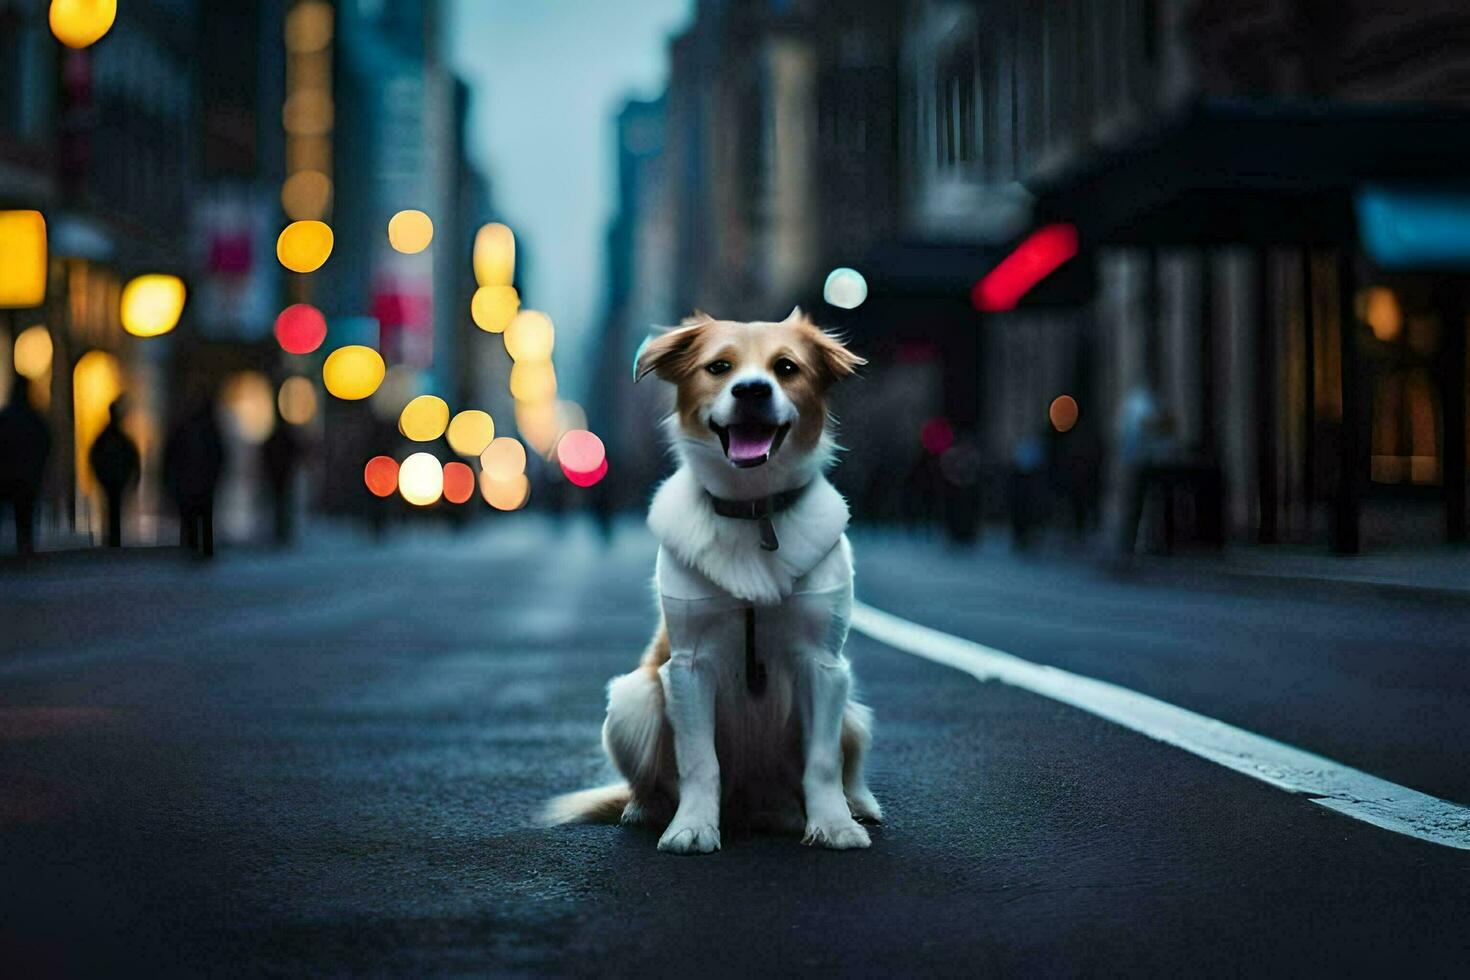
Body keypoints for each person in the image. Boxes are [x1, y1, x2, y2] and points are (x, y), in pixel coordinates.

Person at [164, 400, 225, 558]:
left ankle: (192, 548)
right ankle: (201, 549)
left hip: (193, 483)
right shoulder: (208, 431)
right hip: (199, 483)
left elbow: (171, 457)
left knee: (192, 519)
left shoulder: (186, 429)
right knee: (201, 518)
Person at [0, 371, 51, 555]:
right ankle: (25, 547)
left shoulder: (5, 417)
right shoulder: (34, 419)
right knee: (25, 517)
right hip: (27, 477)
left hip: (6, 476)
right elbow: (45, 444)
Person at [89, 397, 140, 548]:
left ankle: (112, 537)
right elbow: (132, 458)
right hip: (115, 477)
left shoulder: (106, 437)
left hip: (110, 477)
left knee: (112, 506)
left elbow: (95, 455)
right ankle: (114, 537)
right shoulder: (118, 438)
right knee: (114, 506)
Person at [261, 413, 301, 547]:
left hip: (278, 476)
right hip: (283, 476)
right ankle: (283, 532)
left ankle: (280, 532)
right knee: (283, 505)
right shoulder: (286, 439)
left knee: (279, 504)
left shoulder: (273, 439)